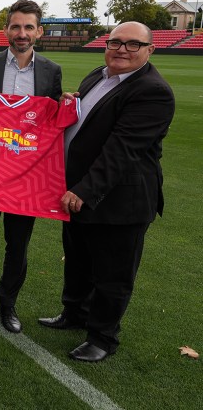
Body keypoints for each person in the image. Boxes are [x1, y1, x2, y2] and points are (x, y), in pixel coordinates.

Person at [39, 21, 174, 362]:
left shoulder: (151, 91)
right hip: (80, 193)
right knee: (79, 261)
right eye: (116, 42)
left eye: (133, 44)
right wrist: (69, 103)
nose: (122, 50)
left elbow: (122, 150)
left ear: (149, 50)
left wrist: (84, 190)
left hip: (118, 201)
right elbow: (85, 122)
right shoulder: (99, 75)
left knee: (113, 273)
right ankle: (74, 313)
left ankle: (102, 337)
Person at [0, 0, 63, 333]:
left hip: (27, 177)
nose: (22, 33)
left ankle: (8, 305)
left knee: (17, 245)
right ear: (6, 29)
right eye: (16, 26)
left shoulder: (51, 71)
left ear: (39, 31)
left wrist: (66, 104)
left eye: (29, 27)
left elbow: (51, 124)